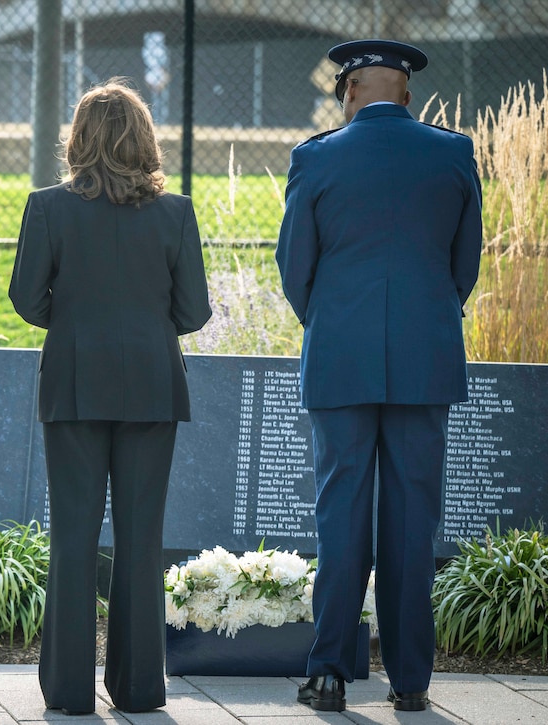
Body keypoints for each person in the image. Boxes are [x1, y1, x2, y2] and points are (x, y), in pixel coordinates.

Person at [276, 40, 482, 713]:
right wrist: (426, 320)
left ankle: (330, 671)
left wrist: (331, 322)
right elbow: (465, 266)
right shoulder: (453, 153)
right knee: (412, 523)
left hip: (339, 359)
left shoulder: (315, 157)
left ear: (349, 92)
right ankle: (411, 680)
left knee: (340, 516)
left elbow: (294, 267)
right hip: (426, 361)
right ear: (409, 94)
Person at [9, 80, 211, 715]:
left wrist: (73, 323)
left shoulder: (47, 207)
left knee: (72, 537)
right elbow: (194, 310)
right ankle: (140, 688)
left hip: (72, 385)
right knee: (142, 539)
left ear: (78, 140)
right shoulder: (176, 212)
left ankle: (69, 692)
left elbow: (24, 299)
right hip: (152, 385)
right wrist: (147, 329)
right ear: (145, 138)